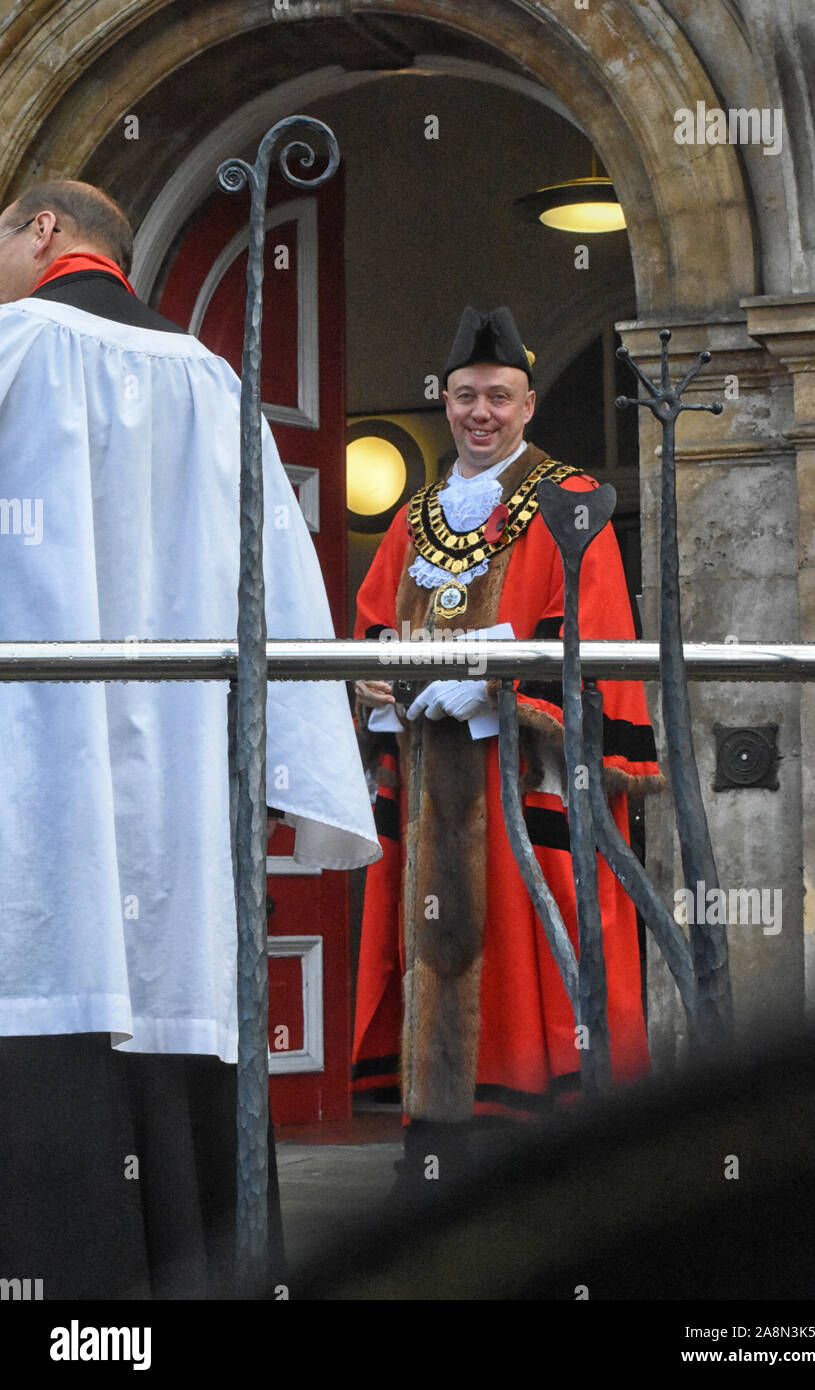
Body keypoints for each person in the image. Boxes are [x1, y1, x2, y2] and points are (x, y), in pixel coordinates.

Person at [0, 180, 380, 1297]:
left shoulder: (12, 347)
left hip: (29, 766)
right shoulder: (216, 385)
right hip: (175, 789)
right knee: (163, 997)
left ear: (42, 230)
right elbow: (282, 600)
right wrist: (301, 774)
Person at [352, 305, 662, 1187]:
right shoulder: (414, 516)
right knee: (439, 963)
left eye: (497, 396)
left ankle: (546, 1163)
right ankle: (443, 1156)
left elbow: (595, 647)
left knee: (538, 974)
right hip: (428, 780)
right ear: (443, 403)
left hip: (526, 788)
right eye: (462, 397)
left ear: (528, 406)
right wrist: (376, 677)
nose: (478, 413)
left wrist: (500, 687)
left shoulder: (573, 508)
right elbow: (374, 626)